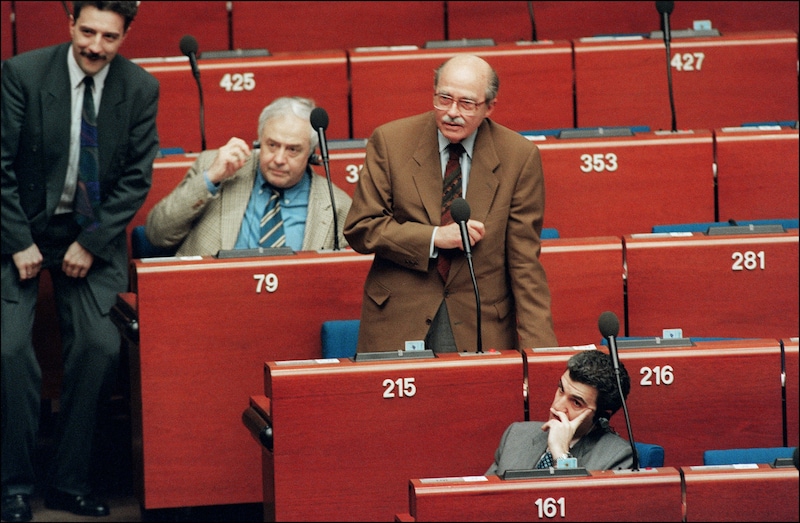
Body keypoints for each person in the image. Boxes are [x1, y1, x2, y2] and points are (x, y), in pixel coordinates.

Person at [1, 2, 159, 521]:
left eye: (109, 37)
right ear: (70, 25)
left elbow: (136, 177)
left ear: (125, 34)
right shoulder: (23, 73)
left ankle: (70, 482)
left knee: (99, 346)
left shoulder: (139, 88)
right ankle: (13, 487)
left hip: (93, 232)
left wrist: (91, 241)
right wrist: (18, 239)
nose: (94, 46)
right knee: (8, 351)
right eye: (87, 31)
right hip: (19, 226)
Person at [343, 54, 557, 354]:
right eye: (444, 99)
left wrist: (541, 356)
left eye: (467, 104)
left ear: (489, 107)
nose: (451, 113)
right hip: (399, 316)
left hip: (479, 324)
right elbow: (361, 227)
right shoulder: (391, 142)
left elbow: (524, 263)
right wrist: (434, 237)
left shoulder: (519, 158)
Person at [145, 96, 352, 255]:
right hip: (211, 299)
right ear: (258, 141)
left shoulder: (336, 205)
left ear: (310, 153)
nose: (279, 159)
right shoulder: (216, 169)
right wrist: (210, 179)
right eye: (272, 145)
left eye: (293, 150)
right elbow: (157, 234)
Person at [486, 349, 633, 475]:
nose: (557, 406)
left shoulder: (617, 457)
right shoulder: (516, 435)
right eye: (561, 389)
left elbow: (578, 505)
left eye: (576, 403)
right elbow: (484, 500)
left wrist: (562, 457)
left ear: (602, 415)